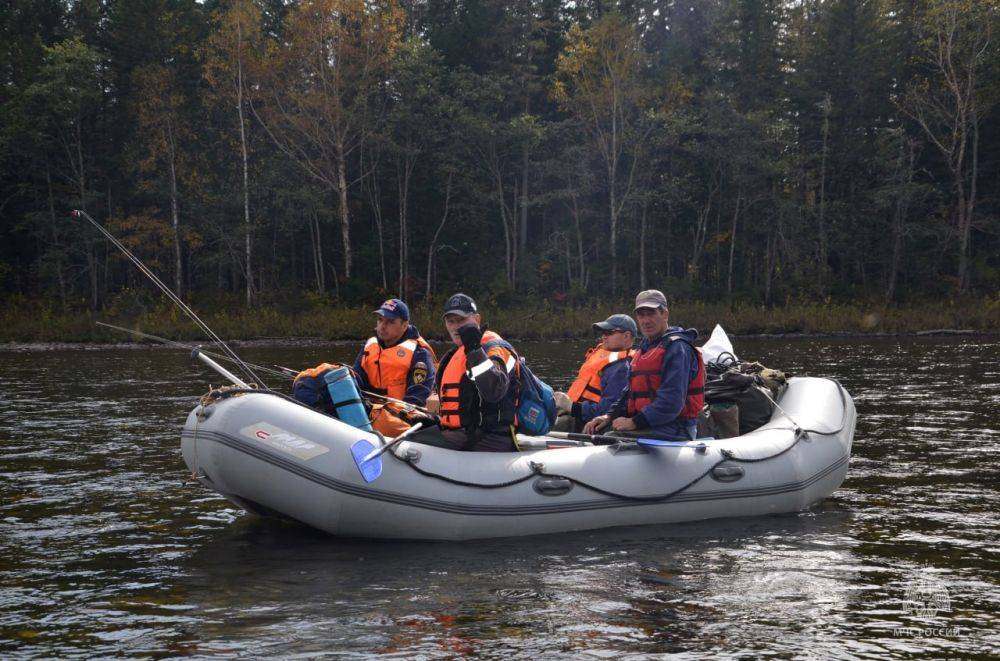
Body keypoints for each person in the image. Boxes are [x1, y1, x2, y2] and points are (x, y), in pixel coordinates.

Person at [583, 290, 705, 441]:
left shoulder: (677, 349)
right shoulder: (645, 347)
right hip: (651, 424)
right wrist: (609, 416)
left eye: (651, 313)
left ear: (665, 314)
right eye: (641, 314)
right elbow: (629, 392)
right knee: (598, 430)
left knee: (609, 438)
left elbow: (671, 403)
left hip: (676, 428)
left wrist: (634, 422)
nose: (646, 320)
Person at [424, 293, 520, 452]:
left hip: (490, 437)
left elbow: (494, 391)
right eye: (450, 321)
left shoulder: (496, 348)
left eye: (461, 320)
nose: (455, 327)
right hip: (461, 434)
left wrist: (475, 350)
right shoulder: (454, 355)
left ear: (476, 320)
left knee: (416, 442)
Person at [353, 298, 437, 436]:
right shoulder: (370, 346)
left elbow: (417, 398)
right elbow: (356, 379)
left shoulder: (420, 354)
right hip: (370, 412)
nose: (382, 326)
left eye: (390, 322)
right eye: (380, 320)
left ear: (405, 325)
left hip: (400, 419)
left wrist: (384, 417)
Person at [552, 314, 636, 431]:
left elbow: (607, 411)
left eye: (609, 333)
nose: (604, 337)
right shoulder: (603, 358)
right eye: (603, 333)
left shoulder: (622, 368)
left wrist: (571, 406)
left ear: (627, 336)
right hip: (573, 414)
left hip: (585, 422)